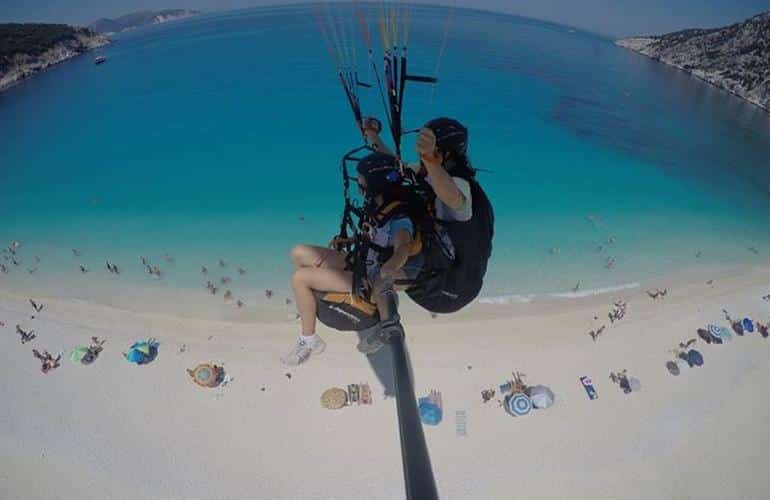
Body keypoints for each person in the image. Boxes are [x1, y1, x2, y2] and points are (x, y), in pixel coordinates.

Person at [282, 152, 425, 366]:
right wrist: (349, 240)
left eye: (361, 181)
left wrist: (386, 273)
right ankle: (307, 306)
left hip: (369, 276)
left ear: (375, 184)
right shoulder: (379, 204)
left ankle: (309, 340)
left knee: (300, 278)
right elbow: (376, 238)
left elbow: (402, 246)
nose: (359, 185)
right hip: (361, 261)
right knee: (298, 253)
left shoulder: (399, 217)